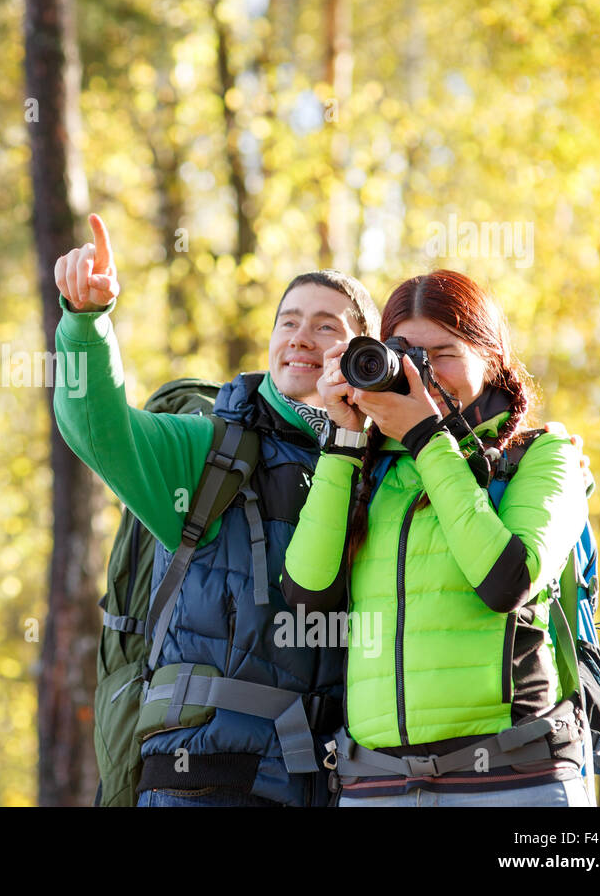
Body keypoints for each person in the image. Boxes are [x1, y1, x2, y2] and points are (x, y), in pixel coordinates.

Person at [53, 213, 380, 806]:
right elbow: (97, 429)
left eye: (326, 327)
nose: (301, 337)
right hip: (199, 781)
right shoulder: (211, 449)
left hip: (334, 787)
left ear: (363, 353)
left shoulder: (382, 472)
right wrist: (85, 323)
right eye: (289, 322)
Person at [281, 269, 591, 806]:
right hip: (377, 785)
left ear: (491, 360)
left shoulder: (540, 455)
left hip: (512, 781)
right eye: (406, 353)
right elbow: (308, 595)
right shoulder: (371, 468)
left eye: (443, 354)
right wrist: (344, 440)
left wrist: (426, 437)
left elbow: (504, 581)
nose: (423, 374)